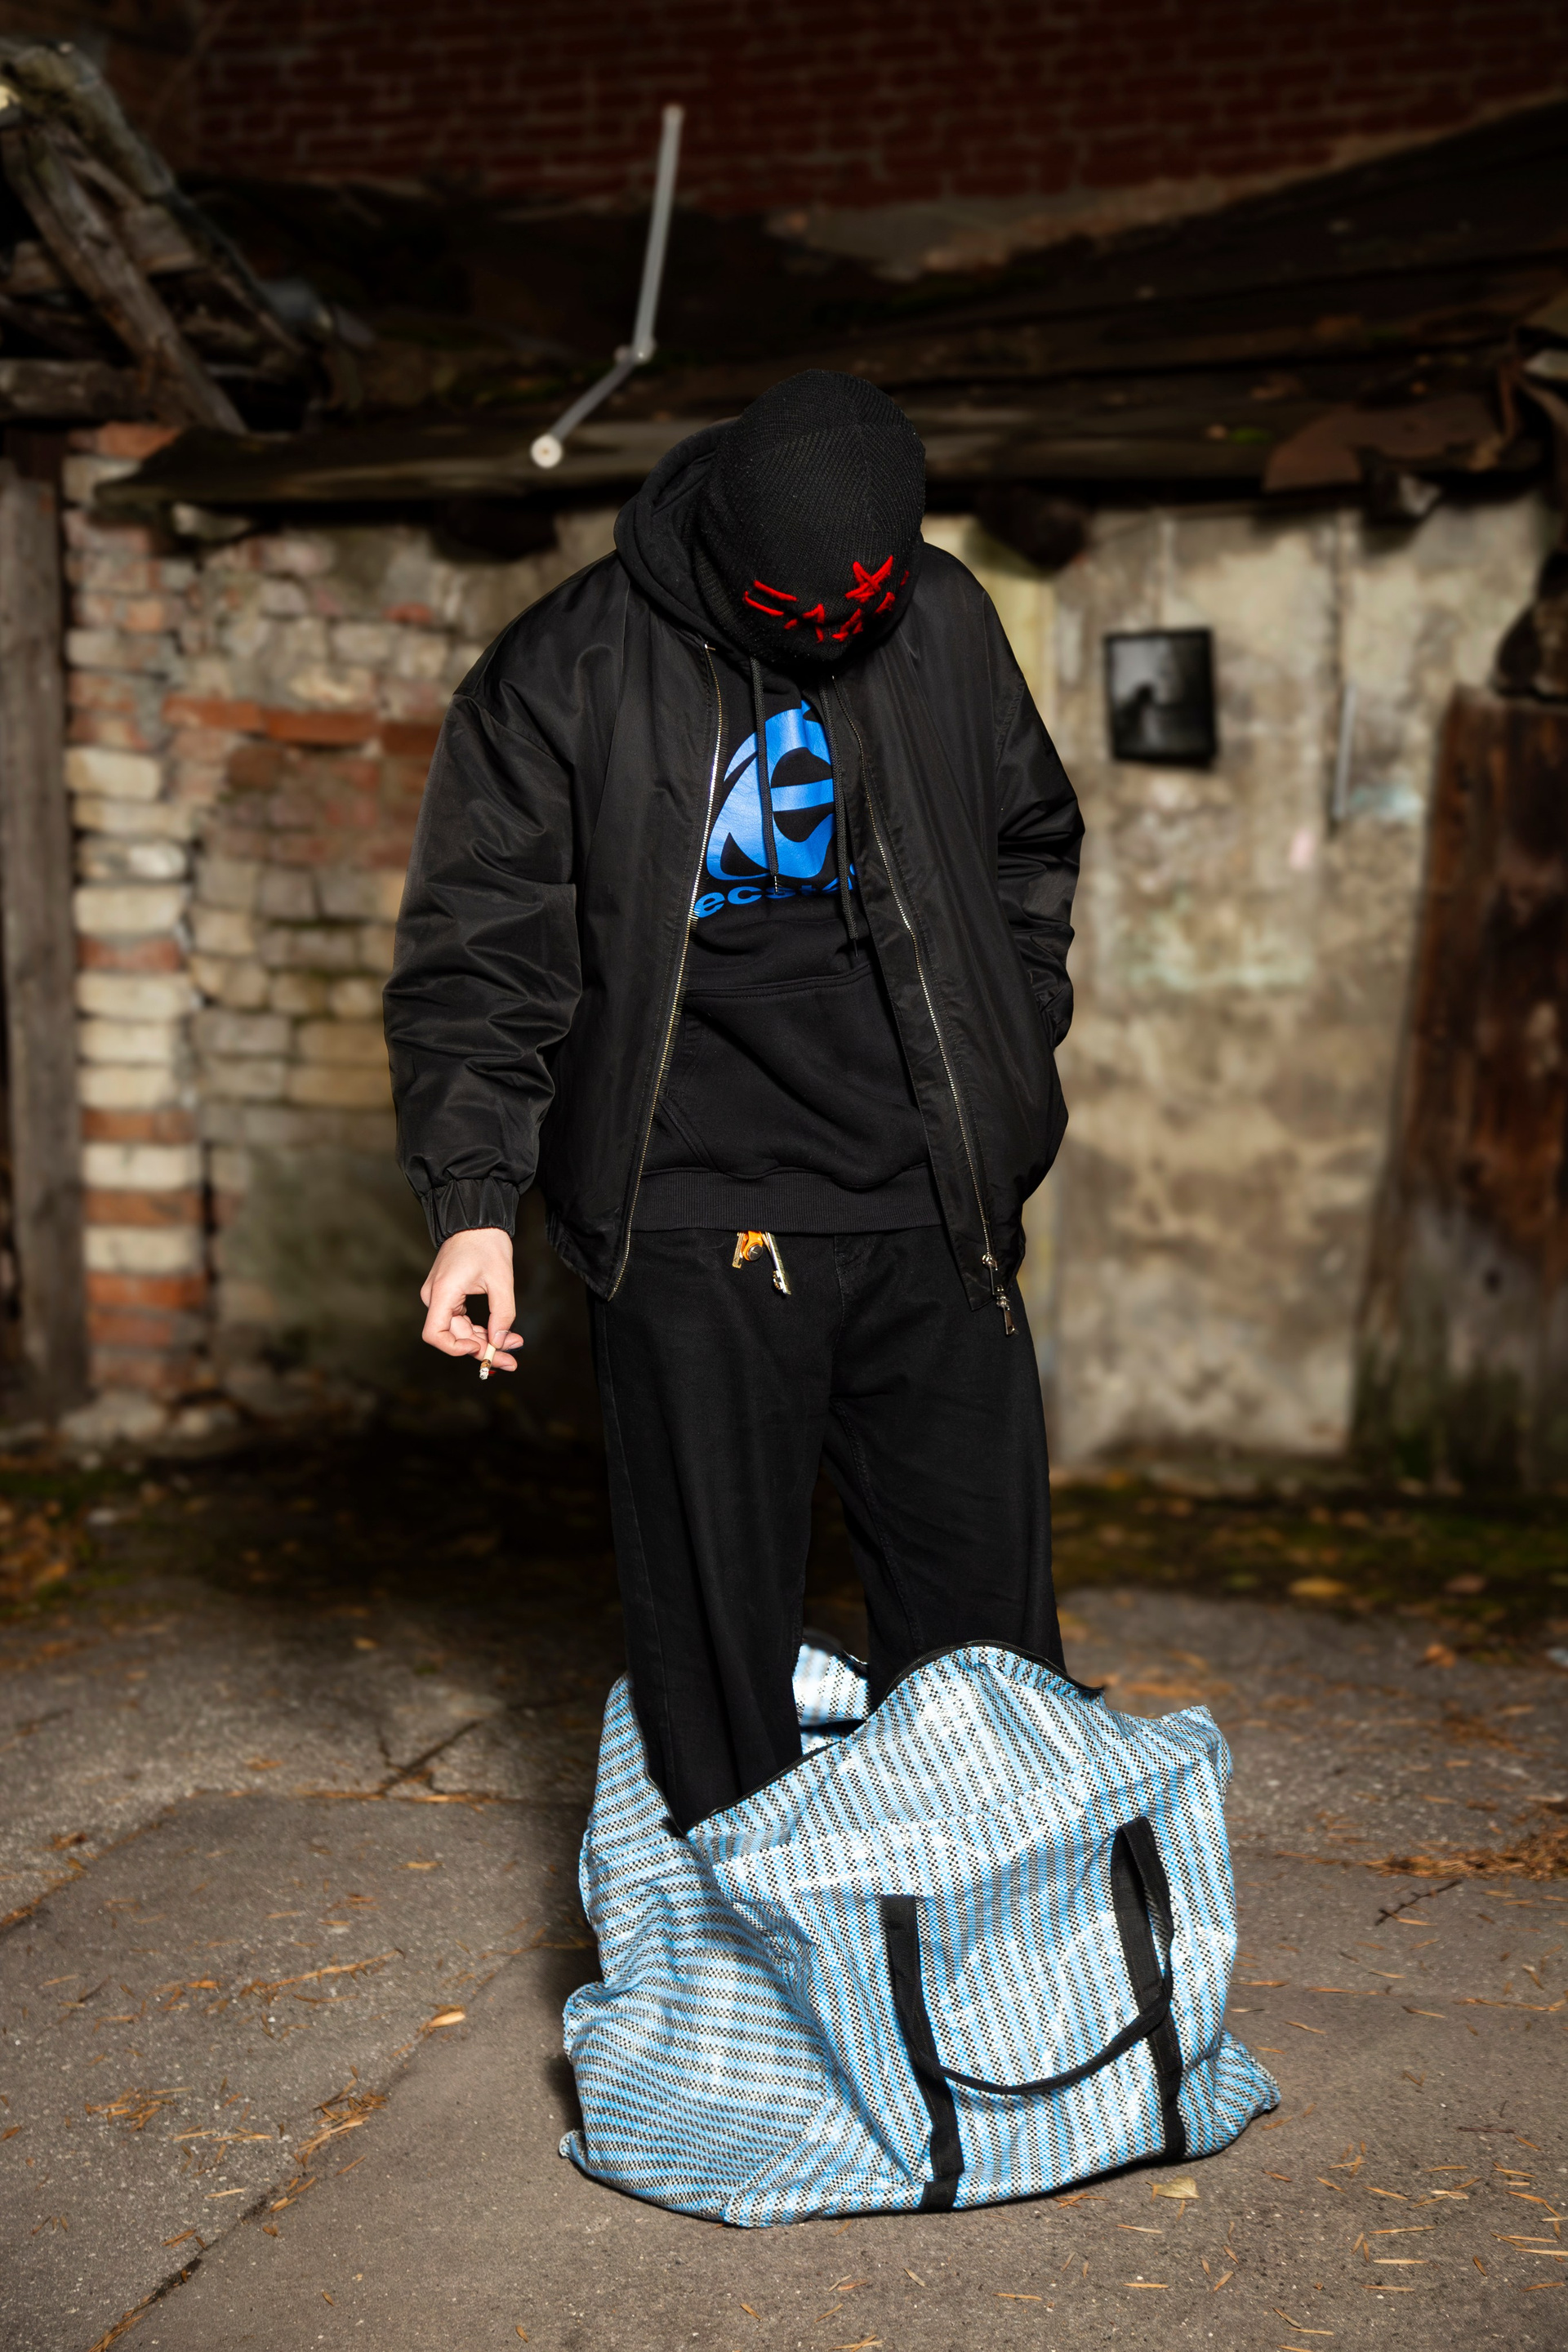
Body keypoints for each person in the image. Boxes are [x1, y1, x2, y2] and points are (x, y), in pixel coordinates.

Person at [385, 371, 1084, 1830]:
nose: (834, 634)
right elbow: (480, 957)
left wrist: (1016, 1038)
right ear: (726, 551)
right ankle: (732, 1960)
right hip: (693, 1216)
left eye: (863, 607)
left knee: (997, 1665)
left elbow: (1030, 840)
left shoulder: (945, 616)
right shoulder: (564, 668)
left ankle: (988, 1957)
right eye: (797, 611)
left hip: (935, 1200)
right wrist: (473, 1203)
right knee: (718, 1683)